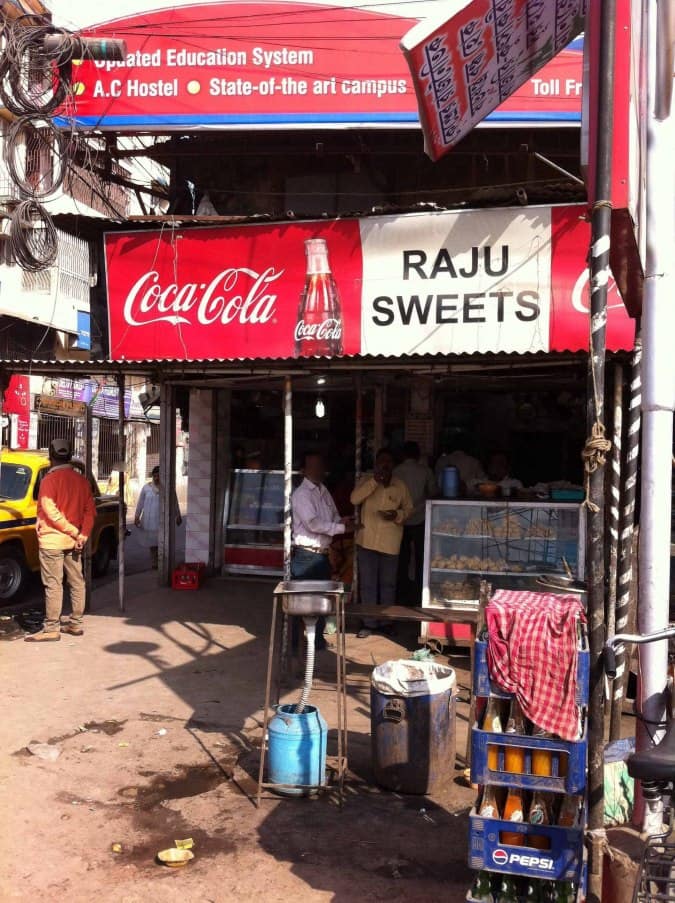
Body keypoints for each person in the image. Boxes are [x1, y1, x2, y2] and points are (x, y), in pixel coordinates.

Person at [25, 438, 96, 642]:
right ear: (69, 456)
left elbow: (51, 510)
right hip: (74, 542)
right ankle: (75, 623)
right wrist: (82, 534)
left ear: (51, 457)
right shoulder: (82, 481)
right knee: (76, 582)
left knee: (54, 585)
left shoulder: (49, 480)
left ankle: (51, 628)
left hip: (52, 542)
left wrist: (74, 532)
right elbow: (90, 512)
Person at [291, 452, 353, 650]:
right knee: (298, 604)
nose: (318, 470)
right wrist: (340, 528)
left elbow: (332, 516)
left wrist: (342, 522)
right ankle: (293, 645)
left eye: (320, 465)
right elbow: (313, 524)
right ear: (304, 471)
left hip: (322, 554)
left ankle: (316, 641)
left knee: (320, 602)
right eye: (314, 466)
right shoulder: (301, 494)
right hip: (306, 555)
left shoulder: (323, 490)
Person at [350, 448, 413, 637]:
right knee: (368, 585)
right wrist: (374, 482)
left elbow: (409, 509)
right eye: (381, 462)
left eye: (388, 462)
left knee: (388, 585)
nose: (384, 466)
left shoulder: (400, 485)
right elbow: (354, 499)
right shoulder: (366, 481)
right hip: (367, 541)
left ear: (393, 465)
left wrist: (397, 514)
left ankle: (386, 622)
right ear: (376, 464)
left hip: (390, 542)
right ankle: (369, 622)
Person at [394, 441, 437, 604]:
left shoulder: (396, 472)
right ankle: (420, 593)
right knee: (421, 558)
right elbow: (433, 492)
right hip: (420, 518)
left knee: (402, 559)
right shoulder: (425, 471)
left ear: (403, 455)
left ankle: (402, 593)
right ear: (418, 455)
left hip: (401, 520)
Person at [135, 466, 182, 569]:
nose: (157, 478)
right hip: (149, 521)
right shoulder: (146, 488)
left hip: (163, 520)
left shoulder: (168, 488)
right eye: (155, 476)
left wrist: (178, 515)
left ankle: (163, 562)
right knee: (152, 543)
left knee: (163, 542)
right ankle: (154, 563)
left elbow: (174, 502)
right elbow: (140, 503)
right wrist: (137, 516)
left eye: (159, 475)